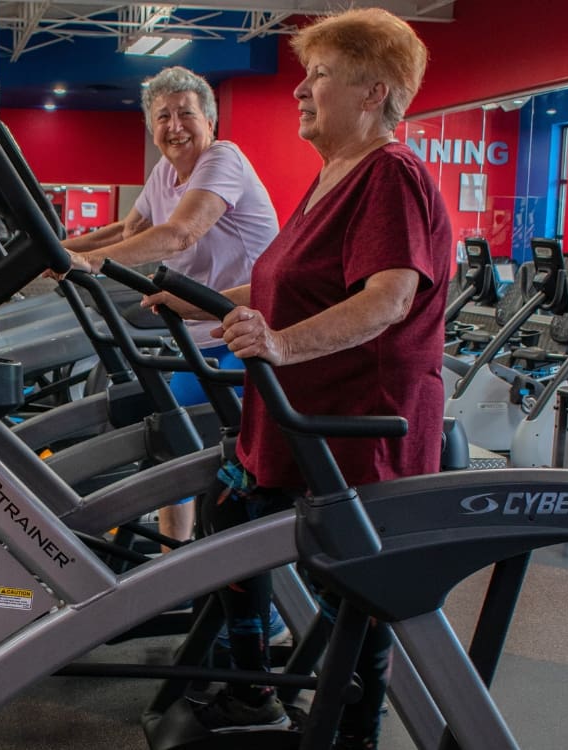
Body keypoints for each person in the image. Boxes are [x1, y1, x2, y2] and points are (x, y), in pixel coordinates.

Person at [143, 9, 451, 744]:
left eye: (319, 75)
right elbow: (284, 284)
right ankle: (254, 694)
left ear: (373, 91)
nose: (300, 91)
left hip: (353, 429)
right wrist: (187, 299)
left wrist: (279, 345)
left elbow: (388, 298)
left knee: (352, 588)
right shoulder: (331, 177)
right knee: (228, 512)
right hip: (293, 425)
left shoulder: (391, 173)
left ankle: (355, 731)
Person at [54, 65, 279, 550]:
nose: (174, 126)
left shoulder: (224, 159)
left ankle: (268, 596)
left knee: (244, 471)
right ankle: (169, 561)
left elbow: (181, 233)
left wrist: (86, 262)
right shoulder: (163, 173)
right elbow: (127, 233)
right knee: (174, 453)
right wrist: (52, 250)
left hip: (252, 332)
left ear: (210, 122)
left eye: (186, 114)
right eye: (163, 117)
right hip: (198, 335)